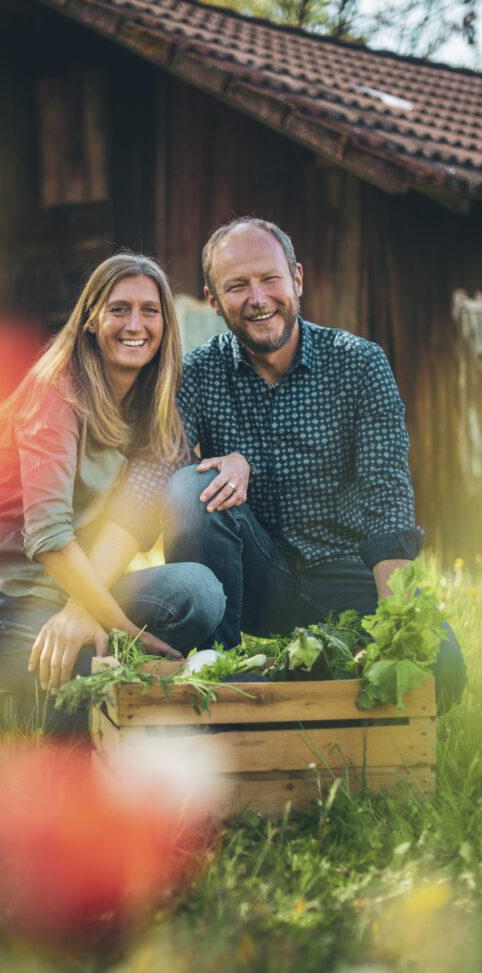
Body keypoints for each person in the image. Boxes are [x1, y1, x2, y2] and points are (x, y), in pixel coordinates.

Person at [116, 217, 465, 708]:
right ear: (214, 300)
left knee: (443, 670)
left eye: (270, 279)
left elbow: (388, 498)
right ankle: (219, 670)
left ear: (296, 279)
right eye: (237, 286)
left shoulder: (359, 364)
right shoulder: (196, 373)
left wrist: (394, 624)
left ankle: (321, 669)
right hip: (253, 581)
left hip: (345, 573)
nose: (258, 298)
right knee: (186, 487)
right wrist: (84, 599)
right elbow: (153, 471)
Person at [0, 253, 225, 732]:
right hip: (7, 600)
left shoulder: (157, 411)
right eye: (119, 308)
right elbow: (48, 536)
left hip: (86, 591)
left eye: (150, 310)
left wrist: (83, 611)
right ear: (89, 320)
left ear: (166, 323)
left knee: (199, 591)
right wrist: (120, 628)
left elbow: (134, 518)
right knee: (107, 692)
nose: (135, 324)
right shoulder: (56, 391)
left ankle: (82, 660)